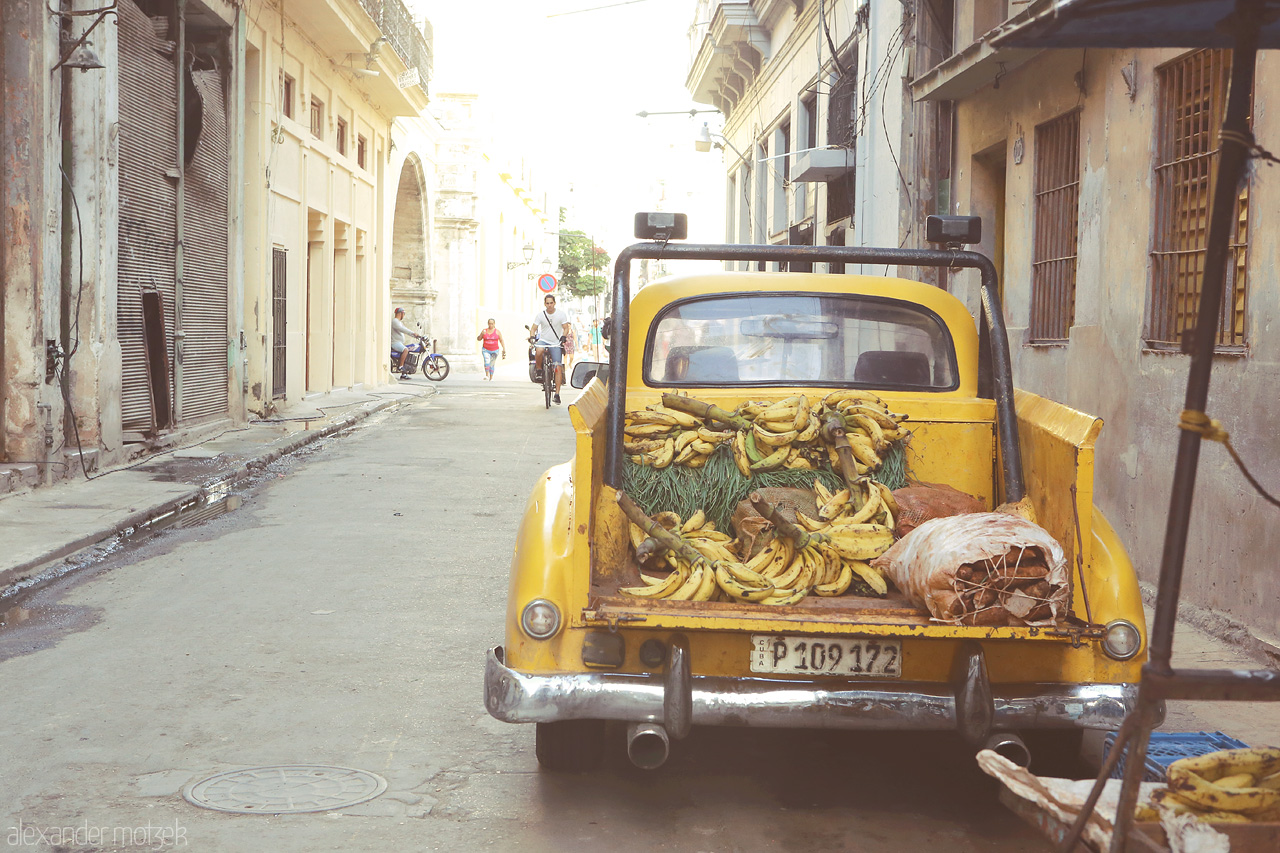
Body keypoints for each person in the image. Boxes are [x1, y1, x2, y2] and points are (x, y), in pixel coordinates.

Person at [530, 294, 572, 404]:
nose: (549, 305)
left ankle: (557, 394)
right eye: (547, 303)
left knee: (557, 367)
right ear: (545, 304)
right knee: (538, 350)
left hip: (556, 343)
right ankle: (539, 370)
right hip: (543, 340)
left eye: (551, 303)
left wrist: (564, 336)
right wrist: (532, 337)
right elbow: (533, 328)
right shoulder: (540, 315)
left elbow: (565, 328)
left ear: (554, 303)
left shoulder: (561, 314)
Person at [391, 307, 421, 375]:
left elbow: (405, 329)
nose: (404, 316)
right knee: (405, 350)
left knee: (408, 350)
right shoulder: (395, 321)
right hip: (395, 342)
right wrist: (413, 333)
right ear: (400, 313)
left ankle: (404, 374)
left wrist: (415, 335)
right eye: (404, 314)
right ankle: (400, 367)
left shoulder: (399, 322)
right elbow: (403, 329)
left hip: (399, 343)